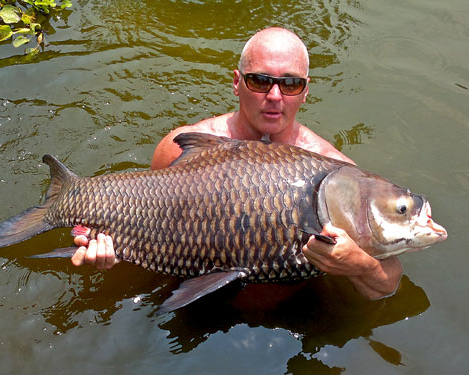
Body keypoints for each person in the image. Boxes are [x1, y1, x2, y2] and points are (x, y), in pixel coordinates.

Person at [71, 27, 402, 300]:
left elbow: (387, 285)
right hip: (192, 304)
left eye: (290, 84)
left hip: (290, 313)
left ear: (305, 92)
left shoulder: (337, 174)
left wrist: (359, 265)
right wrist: (111, 252)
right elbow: (146, 223)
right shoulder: (180, 147)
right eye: (260, 81)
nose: (274, 96)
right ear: (236, 83)